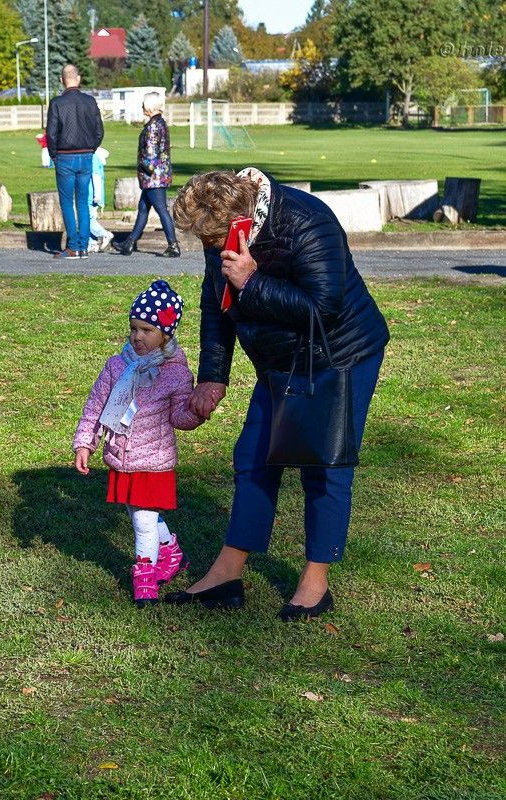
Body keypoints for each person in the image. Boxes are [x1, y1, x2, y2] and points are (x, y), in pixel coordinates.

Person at [164, 169, 390, 620]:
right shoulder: (223, 230)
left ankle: (315, 582)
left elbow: (323, 309)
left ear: (242, 220)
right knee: (253, 457)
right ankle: (227, 575)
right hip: (278, 361)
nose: (210, 250)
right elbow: (216, 303)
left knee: (323, 465)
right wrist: (214, 375)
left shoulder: (308, 222)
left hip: (338, 356)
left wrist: (252, 280)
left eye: (213, 241)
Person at [73, 280, 204, 606]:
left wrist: (198, 411)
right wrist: (84, 442)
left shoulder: (175, 373)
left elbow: (180, 418)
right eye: (134, 328)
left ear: (166, 334)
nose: (137, 336)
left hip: (154, 460)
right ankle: (172, 553)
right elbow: (96, 405)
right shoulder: (118, 366)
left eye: (147, 329)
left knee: (143, 520)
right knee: (139, 512)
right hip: (122, 456)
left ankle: (145, 577)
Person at [46, 64, 103, 260]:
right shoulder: (90, 101)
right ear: (78, 79)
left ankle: (72, 246)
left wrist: (54, 155)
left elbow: (51, 134)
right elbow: (99, 131)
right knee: (82, 202)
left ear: (62, 80)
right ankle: (83, 247)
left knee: (67, 203)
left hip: (65, 157)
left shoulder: (56, 103)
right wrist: (91, 148)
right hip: (86, 155)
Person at [113, 92, 180, 258]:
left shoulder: (152, 126)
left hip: (153, 177)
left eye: (143, 105)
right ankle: (129, 244)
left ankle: (173, 245)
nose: (142, 107)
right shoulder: (162, 123)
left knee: (161, 210)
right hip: (160, 174)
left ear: (149, 107)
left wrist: (141, 166)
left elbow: (150, 154)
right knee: (143, 209)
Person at [88, 146, 115, 253]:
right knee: (91, 218)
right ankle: (92, 243)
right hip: (92, 195)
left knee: (86, 220)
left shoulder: (93, 158)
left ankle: (104, 234)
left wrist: (97, 195)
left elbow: (96, 177)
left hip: (90, 196)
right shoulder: (96, 158)